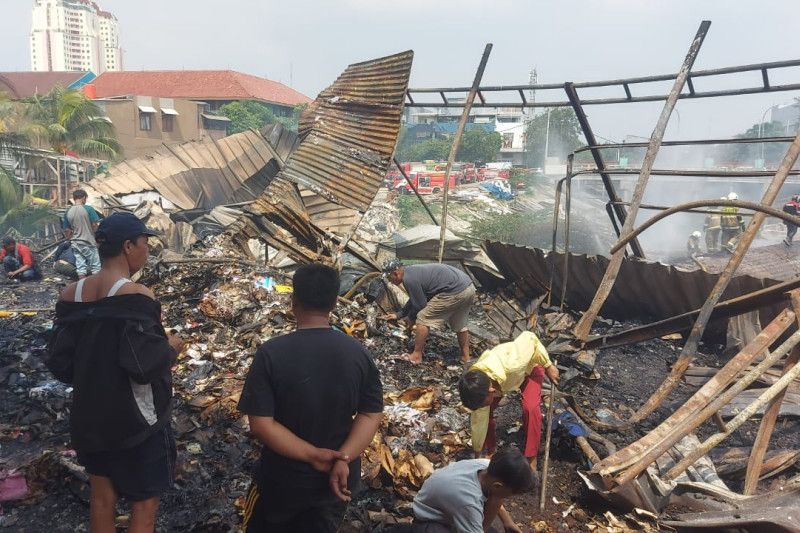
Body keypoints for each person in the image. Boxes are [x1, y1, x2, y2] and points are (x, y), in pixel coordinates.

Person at [46, 212, 182, 533]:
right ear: (128, 246)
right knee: (144, 504)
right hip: (136, 422)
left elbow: (61, 364)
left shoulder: (71, 295)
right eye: (144, 243)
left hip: (89, 420)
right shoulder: (136, 296)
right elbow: (144, 365)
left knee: (102, 499)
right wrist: (173, 346)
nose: (146, 251)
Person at [238, 263, 384, 533]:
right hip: (336, 482)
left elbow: (261, 425)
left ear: (294, 301)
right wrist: (344, 457)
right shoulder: (358, 354)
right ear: (333, 303)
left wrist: (313, 456)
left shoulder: (271, 354)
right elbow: (370, 414)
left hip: (283, 480)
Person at [459, 331, 559, 472]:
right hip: (506, 380)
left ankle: (531, 457)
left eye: (483, 403)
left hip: (530, 367)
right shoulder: (478, 380)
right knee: (485, 413)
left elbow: (530, 337)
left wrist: (549, 365)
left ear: (492, 391)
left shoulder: (513, 363)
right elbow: (479, 419)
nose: (482, 407)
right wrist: (477, 457)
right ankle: (491, 449)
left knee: (530, 408)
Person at [412, 447, 534, 533]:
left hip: (450, 506)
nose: (510, 497)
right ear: (497, 486)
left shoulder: (487, 466)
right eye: (511, 494)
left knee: (496, 500)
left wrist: (508, 522)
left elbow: (497, 496)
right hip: (430, 520)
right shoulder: (468, 502)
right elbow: (469, 505)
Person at [382, 259, 476, 364]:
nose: (390, 281)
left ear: (396, 273)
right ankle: (466, 358)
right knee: (459, 324)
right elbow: (416, 298)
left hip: (454, 290)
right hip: (468, 287)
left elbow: (420, 305)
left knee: (423, 318)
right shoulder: (411, 272)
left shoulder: (409, 279)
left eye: (389, 278)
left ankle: (416, 356)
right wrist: (399, 314)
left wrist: (411, 318)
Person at [63, 189, 102, 278]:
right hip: (88, 242)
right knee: (96, 268)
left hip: (76, 243)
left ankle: (82, 289)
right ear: (84, 197)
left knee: (81, 269)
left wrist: (70, 239)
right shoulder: (89, 209)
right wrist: (97, 239)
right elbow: (94, 226)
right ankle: (97, 289)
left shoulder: (68, 212)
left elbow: (67, 231)